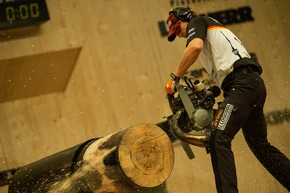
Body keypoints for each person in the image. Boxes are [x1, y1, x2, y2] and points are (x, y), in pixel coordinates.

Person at [165, 7, 290, 193]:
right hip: (252, 84)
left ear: (185, 19)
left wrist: (175, 79)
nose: (180, 35)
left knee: (218, 138)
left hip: (241, 85)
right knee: (260, 145)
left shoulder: (197, 22)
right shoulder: (213, 28)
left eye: (178, 29)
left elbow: (195, 46)